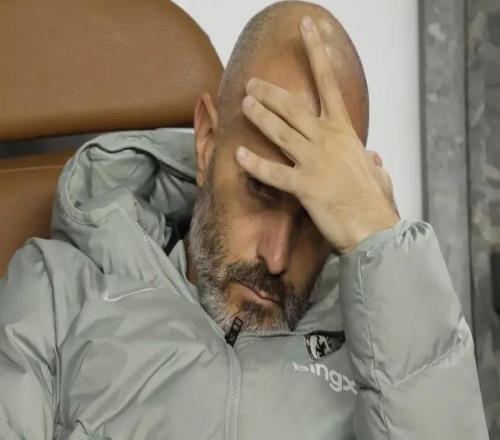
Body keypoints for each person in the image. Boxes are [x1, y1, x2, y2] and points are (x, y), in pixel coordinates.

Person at [0, 1, 489, 439]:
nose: (276, 258)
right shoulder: (59, 294)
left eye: (313, 217)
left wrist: (379, 238)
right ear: (207, 142)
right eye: (260, 190)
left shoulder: (384, 340)